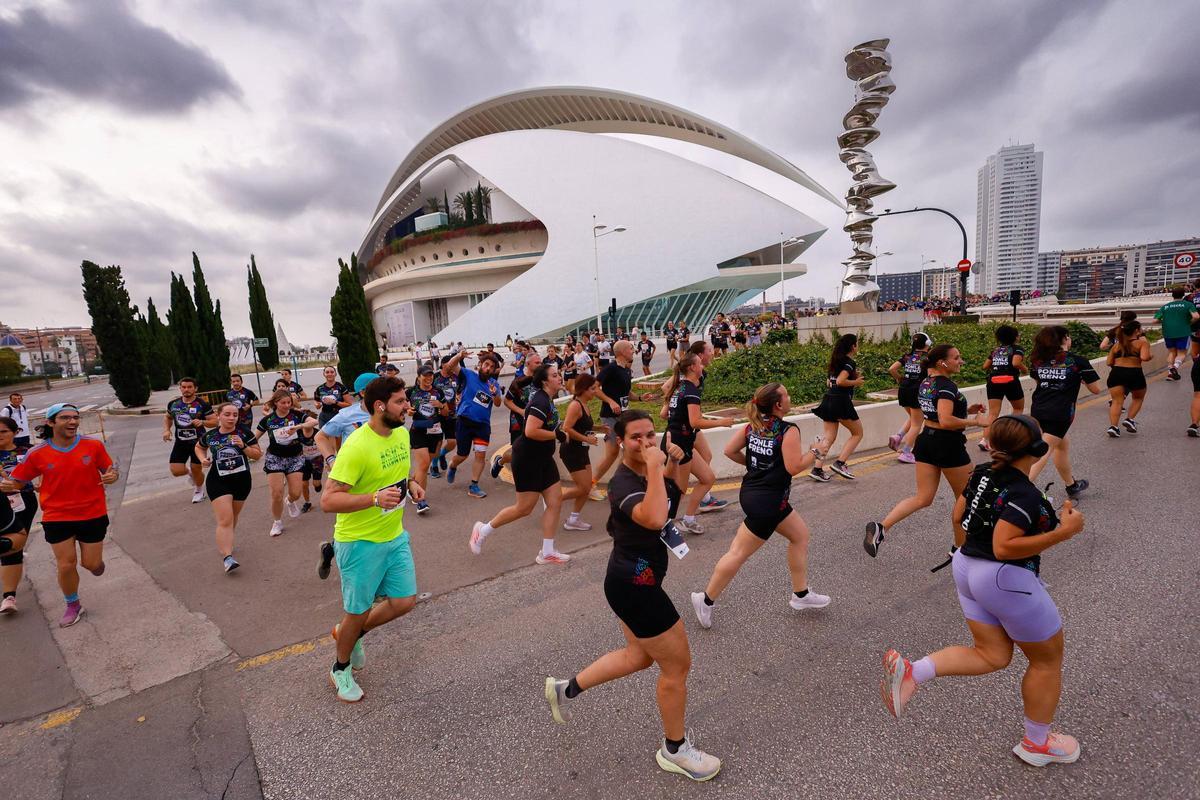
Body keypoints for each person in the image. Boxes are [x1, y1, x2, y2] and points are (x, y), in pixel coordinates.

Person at [880, 415, 1085, 767]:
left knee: (992, 654)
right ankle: (1037, 744)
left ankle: (914, 672)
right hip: (1005, 578)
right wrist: (1065, 531)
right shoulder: (1024, 494)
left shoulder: (980, 473)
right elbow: (1006, 547)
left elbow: (959, 515)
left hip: (967, 566)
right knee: (1046, 660)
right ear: (1035, 449)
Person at [542, 410, 721, 782]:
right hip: (634, 586)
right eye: (636, 437)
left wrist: (670, 466)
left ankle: (565, 689)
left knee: (638, 657)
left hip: (632, 578)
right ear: (620, 441)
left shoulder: (648, 470)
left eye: (650, 435)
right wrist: (657, 468)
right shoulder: (623, 484)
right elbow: (656, 518)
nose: (646, 443)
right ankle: (675, 749)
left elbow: (672, 497)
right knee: (676, 667)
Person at [690, 383, 830, 629]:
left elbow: (729, 450)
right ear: (778, 405)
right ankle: (706, 599)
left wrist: (755, 465)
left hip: (760, 496)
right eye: (786, 394)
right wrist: (816, 452)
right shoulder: (788, 430)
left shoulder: (753, 425)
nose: (789, 397)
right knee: (737, 552)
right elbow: (794, 467)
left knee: (800, 536)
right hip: (768, 503)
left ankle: (801, 594)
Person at [321, 376, 424, 703]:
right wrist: (374, 499)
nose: (407, 406)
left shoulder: (401, 434)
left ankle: (352, 635)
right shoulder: (357, 446)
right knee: (357, 610)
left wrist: (412, 484)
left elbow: (398, 474)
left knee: (404, 601)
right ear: (380, 406)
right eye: (400, 401)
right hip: (359, 542)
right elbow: (328, 501)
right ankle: (340, 668)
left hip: (394, 536)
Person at [865, 344, 988, 558]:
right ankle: (960, 549)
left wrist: (965, 409)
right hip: (948, 445)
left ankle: (881, 528)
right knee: (966, 498)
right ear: (943, 362)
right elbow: (946, 420)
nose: (961, 361)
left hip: (926, 442)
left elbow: (936, 410)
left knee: (923, 497)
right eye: (957, 357)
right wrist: (975, 421)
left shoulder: (926, 382)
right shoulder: (946, 385)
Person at [1, 404, 118, 626]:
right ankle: (73, 604)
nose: (73, 421)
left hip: (92, 512)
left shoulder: (93, 445)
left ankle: (95, 565)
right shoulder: (37, 453)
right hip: (57, 515)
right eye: (65, 418)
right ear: (51, 422)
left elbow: (110, 469)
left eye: (75, 417)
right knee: (66, 563)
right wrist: (9, 486)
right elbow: (17, 480)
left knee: (91, 564)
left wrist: (113, 475)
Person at [471, 364, 570, 565]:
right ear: (544, 381)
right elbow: (531, 431)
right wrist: (556, 434)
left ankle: (547, 551)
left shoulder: (548, 399)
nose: (559, 377)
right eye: (554, 375)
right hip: (528, 460)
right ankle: (483, 530)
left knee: (555, 501)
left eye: (558, 374)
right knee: (524, 508)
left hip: (543, 458)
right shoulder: (540, 401)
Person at [315, 373, 378, 580]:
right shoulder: (346, 415)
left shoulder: (385, 413)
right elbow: (321, 436)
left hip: (378, 474)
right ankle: (359, 576)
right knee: (355, 524)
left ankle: (331, 550)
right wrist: (331, 460)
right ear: (362, 392)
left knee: (373, 523)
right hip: (351, 477)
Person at [1026, 326, 1101, 495]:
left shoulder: (1038, 360)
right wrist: (1079, 380)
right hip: (1060, 413)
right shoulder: (1078, 361)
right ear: (1065, 339)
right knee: (1044, 450)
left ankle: (1071, 484)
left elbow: (1040, 381)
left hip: (1038, 409)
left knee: (1061, 446)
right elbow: (1096, 389)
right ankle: (1021, 488)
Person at [666, 353, 733, 535]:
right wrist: (721, 422)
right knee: (678, 488)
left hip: (679, 441)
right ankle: (665, 525)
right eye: (699, 364)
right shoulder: (690, 391)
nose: (702, 366)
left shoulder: (679, 387)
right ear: (692, 368)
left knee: (707, 478)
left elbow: (665, 414)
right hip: (679, 444)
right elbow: (695, 422)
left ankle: (688, 519)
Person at [195, 403, 263, 572]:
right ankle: (227, 557)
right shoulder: (211, 435)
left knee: (232, 516)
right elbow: (199, 447)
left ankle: (227, 541)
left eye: (235, 415)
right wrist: (203, 459)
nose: (231, 418)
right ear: (219, 416)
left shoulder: (244, 433)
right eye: (227, 414)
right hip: (218, 481)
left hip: (241, 480)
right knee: (225, 519)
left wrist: (244, 446)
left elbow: (257, 454)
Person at [590, 341, 656, 499]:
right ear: (621, 352)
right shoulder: (610, 369)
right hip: (610, 416)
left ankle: (622, 483)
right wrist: (610, 401)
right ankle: (591, 484)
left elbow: (627, 394)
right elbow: (594, 387)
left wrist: (640, 398)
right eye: (630, 348)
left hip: (623, 416)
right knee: (612, 452)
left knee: (627, 452)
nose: (633, 351)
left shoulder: (626, 370)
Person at [254, 389, 317, 537]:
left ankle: (289, 501)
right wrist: (252, 449)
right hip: (274, 458)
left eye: (289, 402)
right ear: (275, 403)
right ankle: (277, 522)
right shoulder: (268, 420)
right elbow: (254, 438)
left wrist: (299, 426)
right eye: (283, 403)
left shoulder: (296, 415)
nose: (287, 405)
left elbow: (314, 421)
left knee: (296, 492)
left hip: (295, 457)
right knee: (276, 493)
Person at [445, 349, 503, 498]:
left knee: (480, 455)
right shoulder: (469, 375)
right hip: (465, 421)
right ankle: (452, 465)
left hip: (482, 425)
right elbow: (449, 367)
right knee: (462, 455)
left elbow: (497, 403)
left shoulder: (494, 384)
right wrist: (459, 356)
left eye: (491, 367)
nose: (488, 368)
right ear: (480, 365)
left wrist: (494, 393)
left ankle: (474, 485)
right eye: (486, 365)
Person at [810, 334, 865, 481]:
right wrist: (856, 382)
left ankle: (817, 469)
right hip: (841, 402)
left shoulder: (834, 362)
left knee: (829, 437)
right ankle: (840, 463)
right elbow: (840, 381)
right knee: (858, 433)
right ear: (853, 346)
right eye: (857, 344)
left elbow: (830, 382)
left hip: (828, 399)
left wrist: (851, 378)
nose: (857, 346)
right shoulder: (849, 362)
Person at [0, 416, 37, 613]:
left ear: (15, 432)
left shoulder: (28, 451)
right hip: (1, 506)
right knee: (10, 547)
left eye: (4, 431)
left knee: (13, 546)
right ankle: (9, 597)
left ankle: (9, 596)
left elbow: (45, 471)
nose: (0, 436)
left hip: (25, 502)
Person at [163, 377, 216, 504]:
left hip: (198, 443)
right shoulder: (173, 404)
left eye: (189, 387)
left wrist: (202, 421)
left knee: (196, 468)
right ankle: (191, 474)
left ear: (195, 388)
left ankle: (199, 490)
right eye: (184, 387)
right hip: (180, 442)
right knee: (176, 471)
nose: (186, 390)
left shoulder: (202, 404)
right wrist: (166, 430)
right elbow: (168, 417)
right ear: (180, 388)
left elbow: (215, 421)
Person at [491, 351, 543, 478]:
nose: (540, 364)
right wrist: (521, 411)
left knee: (533, 450)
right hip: (518, 422)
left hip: (535, 422)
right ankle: (500, 461)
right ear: (528, 364)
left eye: (541, 362)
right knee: (518, 452)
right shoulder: (518, 381)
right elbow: (507, 401)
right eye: (537, 363)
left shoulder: (541, 381)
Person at [559, 373, 601, 531]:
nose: (595, 391)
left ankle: (573, 519)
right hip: (571, 451)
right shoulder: (575, 405)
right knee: (583, 488)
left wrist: (599, 428)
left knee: (587, 487)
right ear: (583, 389)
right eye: (592, 389)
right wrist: (587, 438)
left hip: (582, 450)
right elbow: (567, 428)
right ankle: (554, 499)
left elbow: (582, 425)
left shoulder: (584, 404)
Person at [978, 325, 1027, 451]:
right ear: (1015, 337)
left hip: (993, 381)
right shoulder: (1017, 349)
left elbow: (985, 366)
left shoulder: (995, 350)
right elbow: (1015, 363)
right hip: (1010, 381)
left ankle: (985, 440)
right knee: (1018, 408)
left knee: (993, 413)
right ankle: (1009, 437)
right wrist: (1025, 369)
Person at [406, 365, 447, 514]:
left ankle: (410, 484)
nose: (429, 378)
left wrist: (441, 405)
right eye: (425, 376)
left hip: (435, 431)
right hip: (418, 431)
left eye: (431, 375)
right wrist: (408, 410)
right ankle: (421, 500)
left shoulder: (438, 392)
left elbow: (446, 412)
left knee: (426, 464)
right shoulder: (410, 392)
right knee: (423, 465)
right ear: (418, 377)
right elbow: (403, 406)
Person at [887, 333, 932, 464]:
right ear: (927, 344)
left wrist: (900, 378)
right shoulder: (927, 358)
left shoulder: (907, 356)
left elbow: (892, 369)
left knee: (913, 417)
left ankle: (898, 436)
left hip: (904, 389)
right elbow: (931, 376)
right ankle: (906, 452)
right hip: (917, 390)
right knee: (917, 423)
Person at [1103, 320, 1151, 437]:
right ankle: (1129, 419)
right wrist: (1150, 356)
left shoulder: (1116, 345)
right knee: (1138, 398)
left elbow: (1109, 362)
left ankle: (1113, 427)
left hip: (1116, 373)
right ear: (1136, 331)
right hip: (1134, 373)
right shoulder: (1141, 343)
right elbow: (1144, 357)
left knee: (1117, 401)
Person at [1154, 287, 1200, 380]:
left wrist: (1166, 322)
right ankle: (1175, 367)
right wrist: (1189, 322)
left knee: (1171, 352)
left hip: (1168, 332)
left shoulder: (1166, 306)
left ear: (1172, 295)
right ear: (1183, 295)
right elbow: (1196, 316)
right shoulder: (1187, 304)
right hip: (1183, 331)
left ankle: (1170, 371)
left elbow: (1155, 320)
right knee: (1182, 353)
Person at [431, 356, 462, 478]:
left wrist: (459, 398)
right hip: (436, 414)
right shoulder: (435, 377)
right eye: (451, 364)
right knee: (437, 442)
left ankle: (441, 455)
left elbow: (460, 391)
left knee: (452, 442)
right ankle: (434, 467)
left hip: (451, 414)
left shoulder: (455, 377)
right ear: (443, 364)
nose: (453, 366)